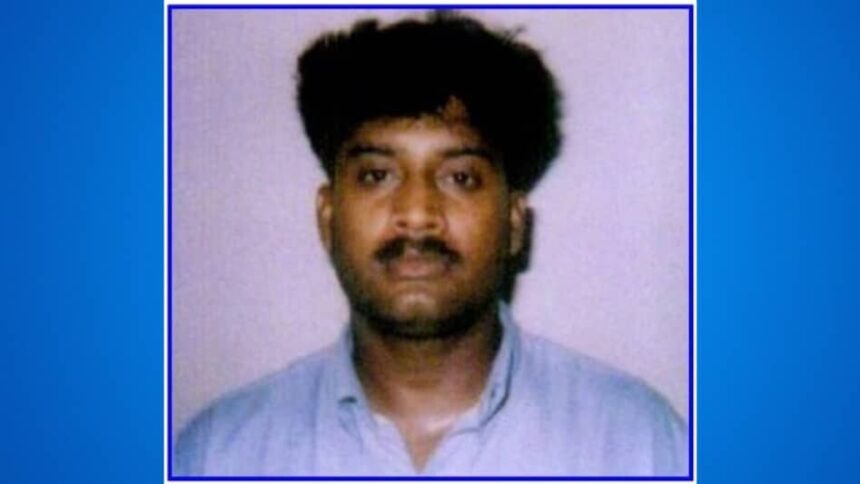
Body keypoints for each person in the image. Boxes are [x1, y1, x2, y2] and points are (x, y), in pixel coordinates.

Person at [174, 12, 688, 477]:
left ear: (514, 223)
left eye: (460, 178)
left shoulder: (639, 446)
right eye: (376, 175)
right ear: (327, 217)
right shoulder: (218, 455)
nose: (417, 215)